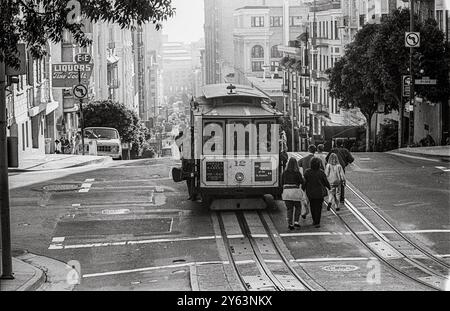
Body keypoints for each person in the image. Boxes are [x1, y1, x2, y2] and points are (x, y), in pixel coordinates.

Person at [325, 139, 354, 208]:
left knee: (332, 183)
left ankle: (332, 198)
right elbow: (351, 159)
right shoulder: (345, 150)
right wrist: (345, 163)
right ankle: (341, 198)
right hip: (341, 168)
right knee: (341, 182)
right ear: (342, 143)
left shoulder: (333, 150)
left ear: (335, 143)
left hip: (333, 168)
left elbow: (327, 159)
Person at [303, 158, 330, 228]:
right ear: (319, 164)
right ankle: (317, 222)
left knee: (312, 206)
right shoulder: (321, 172)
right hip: (319, 193)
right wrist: (329, 187)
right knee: (319, 207)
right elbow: (325, 182)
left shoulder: (307, 172)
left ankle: (314, 220)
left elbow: (304, 182)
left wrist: (302, 189)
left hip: (310, 192)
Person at [281, 158, 306, 230]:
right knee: (298, 207)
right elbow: (302, 182)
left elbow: (282, 183)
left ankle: (290, 224)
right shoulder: (297, 173)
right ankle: (296, 222)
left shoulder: (284, 173)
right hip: (295, 191)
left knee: (289, 208)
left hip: (287, 192)